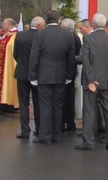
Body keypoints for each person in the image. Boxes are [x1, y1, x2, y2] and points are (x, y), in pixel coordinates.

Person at [75, 14, 108, 152]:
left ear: (93, 25)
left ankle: (88, 141)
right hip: (107, 82)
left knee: (89, 111)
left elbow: (86, 60)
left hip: (92, 82)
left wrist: (90, 79)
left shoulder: (88, 39)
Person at [28, 10, 75, 145]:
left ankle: (45, 136)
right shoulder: (67, 35)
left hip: (43, 75)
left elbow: (34, 57)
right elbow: (71, 58)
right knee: (58, 106)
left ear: (46, 20)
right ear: (59, 20)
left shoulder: (40, 34)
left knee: (45, 106)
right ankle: (57, 135)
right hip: (61, 75)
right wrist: (68, 75)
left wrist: (33, 76)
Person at [13, 15, 44, 139]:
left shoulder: (20, 35)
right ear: (39, 26)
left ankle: (25, 130)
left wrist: (22, 64)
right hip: (37, 74)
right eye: (43, 26)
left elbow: (15, 54)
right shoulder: (41, 36)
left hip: (21, 72)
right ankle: (39, 128)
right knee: (37, 103)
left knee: (23, 103)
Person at [0, 18, 19, 112]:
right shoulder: (6, 35)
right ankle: (2, 103)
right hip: (2, 65)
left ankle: (10, 104)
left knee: (9, 81)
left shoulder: (15, 35)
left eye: (3, 24)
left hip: (9, 66)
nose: (2, 26)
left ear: (8, 25)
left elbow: (9, 48)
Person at [61, 17, 82, 133]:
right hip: (73, 71)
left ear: (64, 27)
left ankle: (63, 121)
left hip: (63, 71)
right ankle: (70, 122)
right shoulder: (77, 38)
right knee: (70, 97)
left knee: (63, 98)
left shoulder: (65, 38)